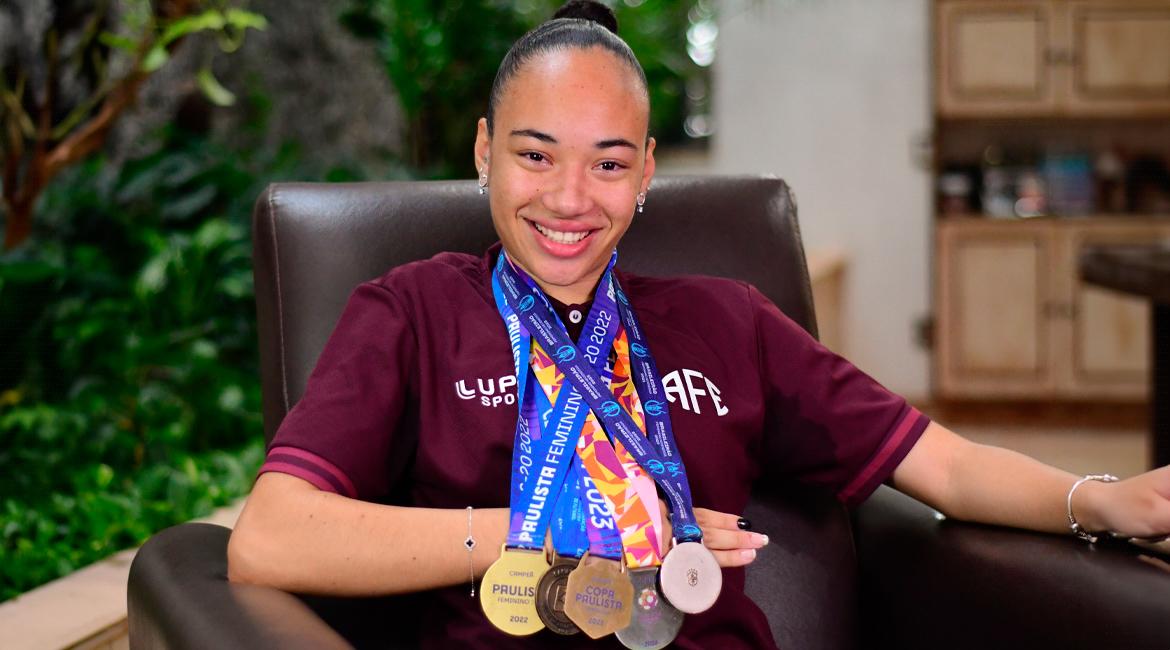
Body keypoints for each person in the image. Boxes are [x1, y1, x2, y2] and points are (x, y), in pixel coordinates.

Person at [227, 2, 1170, 648]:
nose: (568, 197)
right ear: (485, 152)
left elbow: (946, 464)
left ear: (644, 175)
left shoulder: (727, 320)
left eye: (606, 164)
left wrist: (1104, 501)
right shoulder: (412, 311)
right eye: (534, 154)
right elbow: (271, 539)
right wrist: (569, 527)